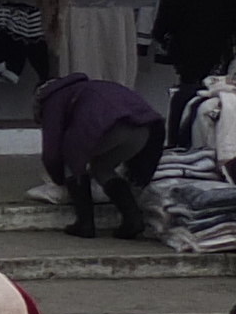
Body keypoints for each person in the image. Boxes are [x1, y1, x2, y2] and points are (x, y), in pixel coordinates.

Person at [35, 71, 167, 242]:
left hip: (110, 126)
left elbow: (52, 152)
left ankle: (85, 224)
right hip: (144, 130)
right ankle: (132, 219)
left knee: (71, 160)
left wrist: (60, 181)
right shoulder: (94, 86)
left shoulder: (52, 99)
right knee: (102, 168)